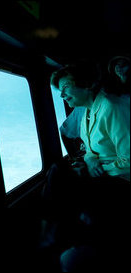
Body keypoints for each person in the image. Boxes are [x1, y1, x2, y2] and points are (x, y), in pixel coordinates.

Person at [39, 61, 130, 270]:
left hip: (121, 178)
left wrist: (101, 169)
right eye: (59, 91)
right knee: (58, 171)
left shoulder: (111, 107)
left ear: (86, 84)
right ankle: (54, 236)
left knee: (65, 184)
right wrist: (89, 160)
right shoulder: (86, 112)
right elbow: (89, 149)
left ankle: (64, 241)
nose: (62, 96)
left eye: (65, 89)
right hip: (102, 173)